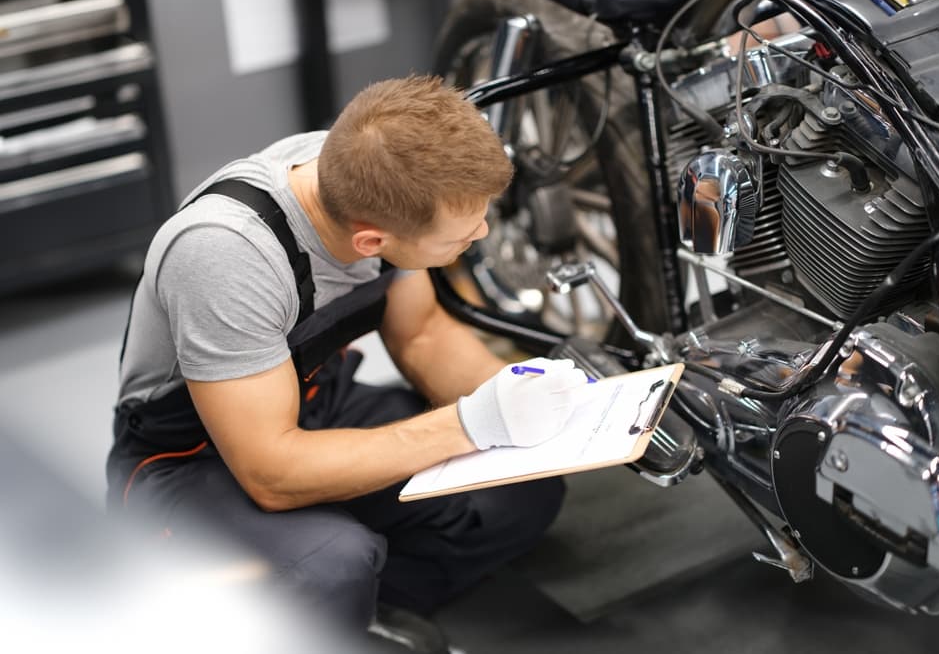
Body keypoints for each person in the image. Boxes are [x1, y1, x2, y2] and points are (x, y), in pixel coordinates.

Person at [106, 75, 589, 648]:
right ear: (370, 243)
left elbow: (423, 335)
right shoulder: (225, 256)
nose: (481, 232)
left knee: (520, 492)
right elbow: (271, 474)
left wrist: (553, 416)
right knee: (331, 563)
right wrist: (469, 423)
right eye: (462, 236)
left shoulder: (375, 171)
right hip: (189, 458)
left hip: (315, 398)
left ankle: (351, 613)